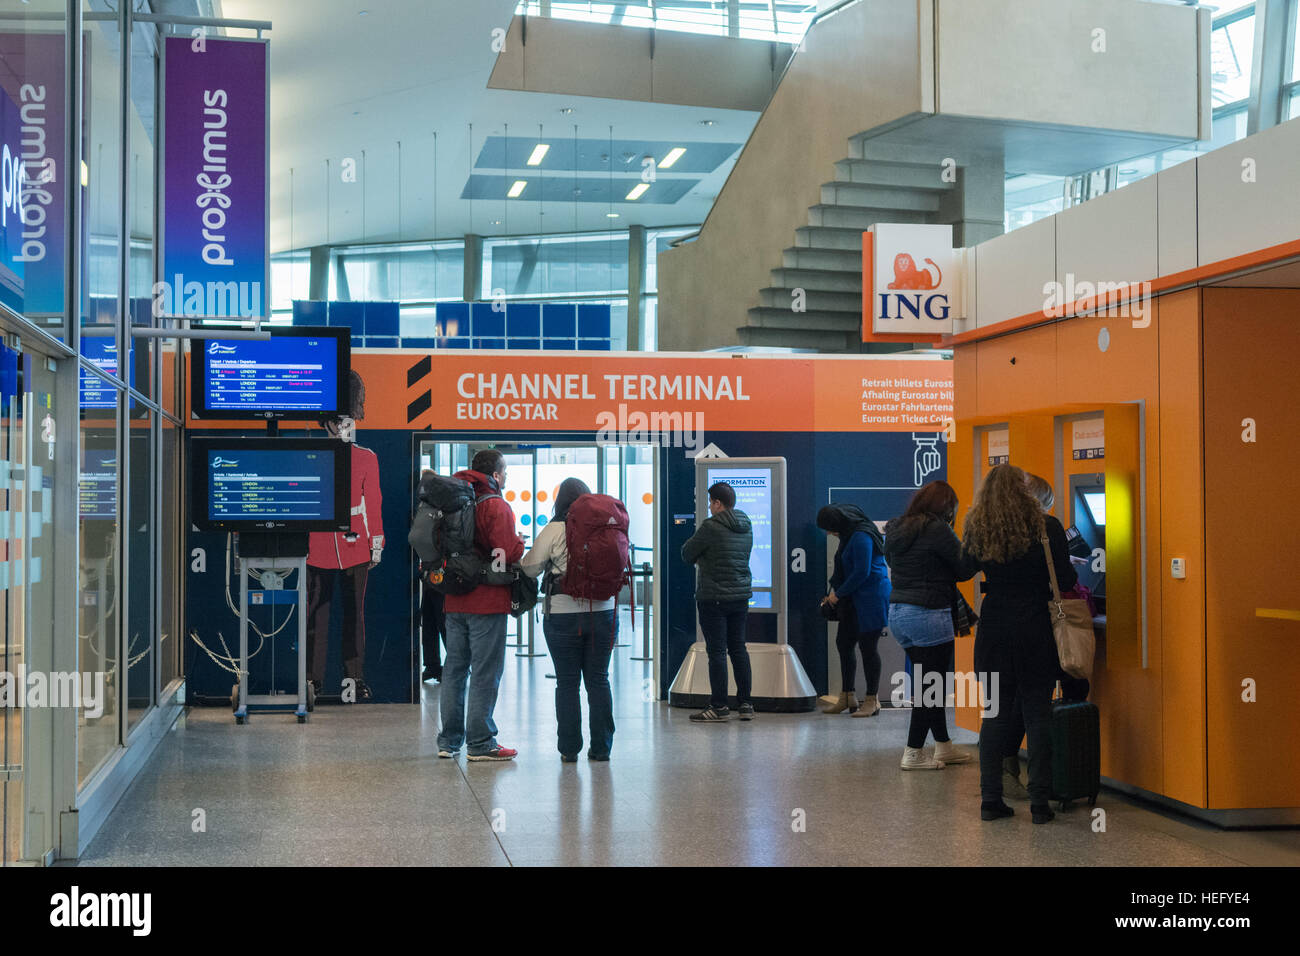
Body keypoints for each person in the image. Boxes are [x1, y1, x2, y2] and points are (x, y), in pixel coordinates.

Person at [963, 463, 1078, 824]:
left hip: (995, 628)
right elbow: (1068, 577)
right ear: (1025, 490)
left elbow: (962, 569)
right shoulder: (1047, 526)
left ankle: (990, 801)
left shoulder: (978, 528)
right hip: (1035, 629)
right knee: (1037, 715)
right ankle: (1041, 804)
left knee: (994, 716)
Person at [520, 478, 617, 762]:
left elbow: (529, 569)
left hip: (562, 614)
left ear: (559, 500)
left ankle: (569, 749)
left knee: (567, 681)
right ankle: (601, 749)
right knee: (599, 680)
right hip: (604, 612)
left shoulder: (554, 528)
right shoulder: (606, 525)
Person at [437, 449, 524, 761]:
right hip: (487, 601)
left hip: (453, 598)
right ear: (497, 476)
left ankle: (448, 742)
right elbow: (506, 552)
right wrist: (519, 543)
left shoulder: (452, 499)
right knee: (485, 671)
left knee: (454, 668)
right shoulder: (495, 505)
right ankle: (481, 742)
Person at [883, 480, 977, 770]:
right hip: (928, 614)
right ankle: (913, 752)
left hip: (899, 613)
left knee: (928, 682)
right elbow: (964, 570)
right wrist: (978, 547)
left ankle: (944, 746)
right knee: (931, 688)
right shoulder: (937, 529)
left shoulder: (898, 528)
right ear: (947, 507)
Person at [306, 370, 382, 703]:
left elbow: (373, 503)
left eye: (350, 420)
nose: (348, 426)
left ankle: (354, 678)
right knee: (316, 616)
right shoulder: (313, 458)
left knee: (354, 616)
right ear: (331, 424)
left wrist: (375, 542)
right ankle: (312, 679)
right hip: (318, 544)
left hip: (355, 545)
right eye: (342, 421)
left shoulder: (367, 458)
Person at [681, 481, 755, 722]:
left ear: (717, 503)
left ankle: (720, 706)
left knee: (717, 652)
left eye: (711, 502)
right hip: (740, 597)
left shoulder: (710, 527)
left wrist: (703, 556)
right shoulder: (746, 524)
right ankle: (746, 704)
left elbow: (686, 553)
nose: (710, 507)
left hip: (713, 598)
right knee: (738, 649)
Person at [816, 504, 891, 717]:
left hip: (871, 597)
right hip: (853, 599)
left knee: (868, 648)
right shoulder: (848, 535)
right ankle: (847, 696)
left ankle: (872, 699)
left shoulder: (861, 536)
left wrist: (836, 595)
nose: (829, 533)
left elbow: (862, 571)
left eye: (829, 528)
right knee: (844, 643)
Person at [417, 469, 446, 684]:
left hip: (435, 572)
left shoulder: (436, 511)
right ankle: (433, 665)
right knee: (431, 620)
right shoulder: (437, 509)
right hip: (431, 573)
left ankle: (439, 665)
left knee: (436, 620)